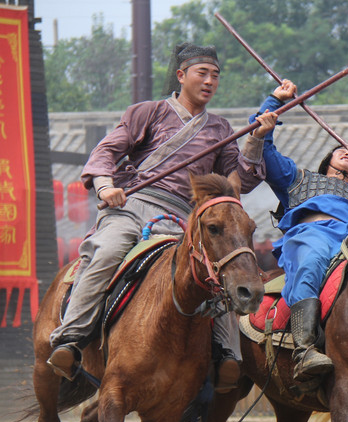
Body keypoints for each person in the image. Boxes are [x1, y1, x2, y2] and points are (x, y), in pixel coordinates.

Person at [47, 43, 269, 392]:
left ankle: (226, 352)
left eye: (216, 76)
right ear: (181, 76)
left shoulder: (221, 129)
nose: (210, 81)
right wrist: (106, 188)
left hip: (181, 220)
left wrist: (256, 138)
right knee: (107, 251)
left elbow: (239, 182)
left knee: (216, 266)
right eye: (202, 73)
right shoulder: (147, 112)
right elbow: (106, 151)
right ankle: (70, 339)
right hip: (131, 207)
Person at [250, 80, 348, 383]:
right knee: (311, 260)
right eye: (342, 149)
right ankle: (303, 348)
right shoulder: (298, 179)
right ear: (328, 160)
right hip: (310, 237)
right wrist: (275, 101)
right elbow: (263, 142)